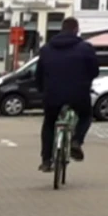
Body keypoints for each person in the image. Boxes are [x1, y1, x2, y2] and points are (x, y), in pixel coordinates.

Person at [34, 17, 99, 173]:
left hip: (53, 94)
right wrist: (86, 82)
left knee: (49, 123)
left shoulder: (46, 49)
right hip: (78, 93)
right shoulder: (85, 48)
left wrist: (42, 90)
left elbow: (39, 74)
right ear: (76, 30)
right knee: (85, 116)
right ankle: (76, 141)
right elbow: (94, 71)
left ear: (61, 29)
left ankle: (46, 160)